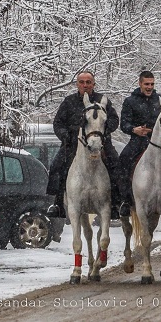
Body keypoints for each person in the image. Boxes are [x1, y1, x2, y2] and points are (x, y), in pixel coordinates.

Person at [46, 71, 122, 219]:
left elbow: (114, 120)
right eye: (82, 82)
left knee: (116, 164)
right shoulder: (69, 102)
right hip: (73, 144)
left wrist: (103, 131)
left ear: (93, 84)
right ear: (77, 84)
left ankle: (116, 203)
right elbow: (58, 123)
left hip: (100, 143)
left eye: (88, 82)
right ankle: (58, 204)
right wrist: (65, 135)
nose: (85, 85)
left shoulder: (103, 101)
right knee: (57, 165)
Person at [117, 71, 161, 217]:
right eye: (146, 84)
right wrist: (134, 130)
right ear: (140, 83)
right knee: (123, 161)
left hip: (158, 143)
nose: (149, 87)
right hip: (138, 141)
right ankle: (125, 201)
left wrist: (155, 131)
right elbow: (124, 124)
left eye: (152, 84)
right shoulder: (130, 101)